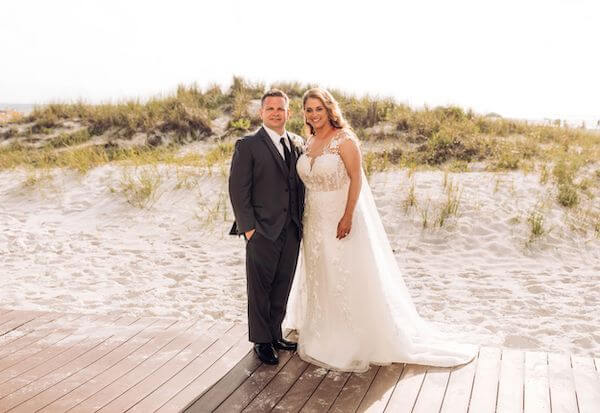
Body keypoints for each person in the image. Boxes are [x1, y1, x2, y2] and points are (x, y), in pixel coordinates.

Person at [284, 88, 476, 372]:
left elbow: (356, 180)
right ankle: (323, 329)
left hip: (340, 214)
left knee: (343, 270)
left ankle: (352, 334)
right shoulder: (309, 141)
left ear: (329, 110)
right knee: (320, 271)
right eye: (309, 110)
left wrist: (347, 215)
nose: (314, 114)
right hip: (314, 220)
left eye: (319, 109)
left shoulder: (345, 140)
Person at [228, 89, 305, 365]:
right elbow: (238, 190)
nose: (275, 112)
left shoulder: (296, 143)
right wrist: (249, 229)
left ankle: (275, 334)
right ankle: (261, 342)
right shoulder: (247, 144)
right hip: (261, 230)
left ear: (288, 113)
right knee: (260, 289)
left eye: (280, 109)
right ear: (261, 113)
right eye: (270, 108)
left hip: (292, 229)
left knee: (282, 285)